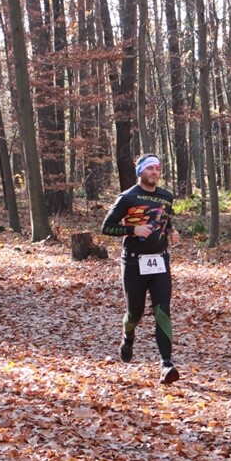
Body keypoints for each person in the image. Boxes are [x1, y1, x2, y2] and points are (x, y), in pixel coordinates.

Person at [101, 154, 182, 385]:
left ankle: (166, 364)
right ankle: (128, 335)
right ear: (140, 172)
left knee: (162, 311)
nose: (155, 173)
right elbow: (106, 227)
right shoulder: (128, 197)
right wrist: (132, 230)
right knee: (134, 313)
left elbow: (166, 222)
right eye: (150, 169)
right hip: (134, 263)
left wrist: (172, 234)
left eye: (158, 168)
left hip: (159, 262)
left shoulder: (166, 197)